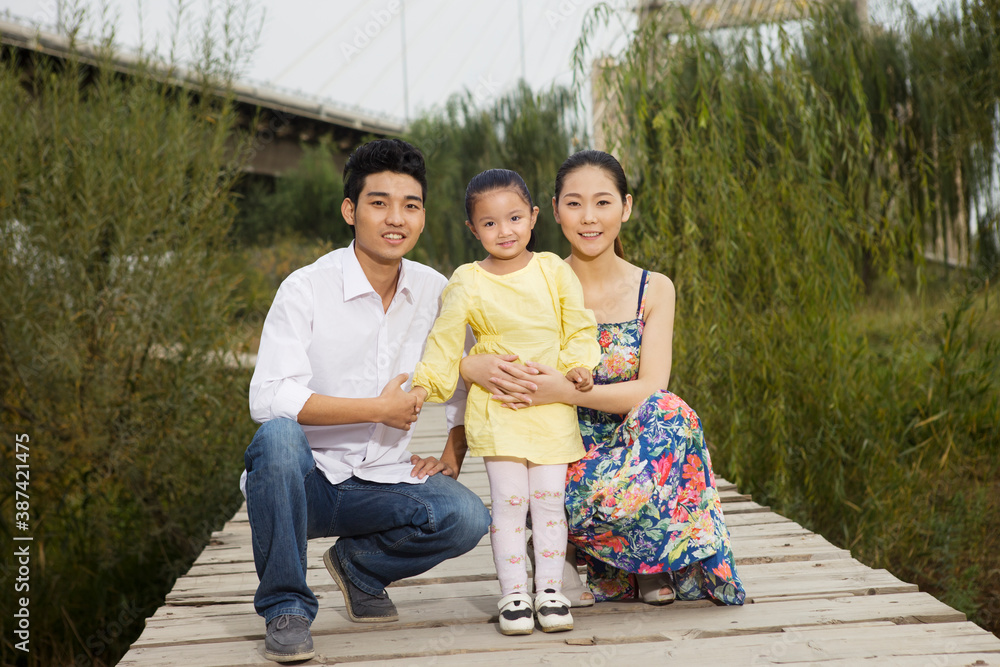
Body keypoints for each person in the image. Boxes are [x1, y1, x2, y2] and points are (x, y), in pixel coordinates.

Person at [460, 150, 746, 608]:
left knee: (671, 413)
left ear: (625, 207)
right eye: (574, 204)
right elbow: (479, 340)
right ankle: (566, 553)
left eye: (602, 203)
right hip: (558, 443)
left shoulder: (654, 288)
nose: (588, 218)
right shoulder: (534, 279)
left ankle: (653, 557)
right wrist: (468, 364)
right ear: (552, 211)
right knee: (545, 470)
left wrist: (566, 388)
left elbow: (652, 385)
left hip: (635, 449)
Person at [243, 138, 492, 663]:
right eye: (379, 203)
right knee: (277, 436)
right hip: (300, 485)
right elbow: (268, 397)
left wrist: (455, 445)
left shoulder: (435, 290)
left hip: (380, 480)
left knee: (466, 516)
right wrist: (376, 410)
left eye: (411, 205)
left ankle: (360, 566)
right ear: (350, 211)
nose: (395, 218)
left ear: (423, 215)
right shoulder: (306, 288)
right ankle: (286, 607)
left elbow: (463, 369)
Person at [409, 168, 601, 635]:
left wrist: (579, 366)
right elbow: (446, 340)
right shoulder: (467, 280)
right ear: (473, 229)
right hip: (500, 410)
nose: (505, 231)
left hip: (552, 408)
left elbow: (577, 324)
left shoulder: (554, 268)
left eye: (514, 217)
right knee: (511, 502)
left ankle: (550, 592)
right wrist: (424, 386)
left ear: (534, 217)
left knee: (550, 502)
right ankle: (514, 594)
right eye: (490, 223)